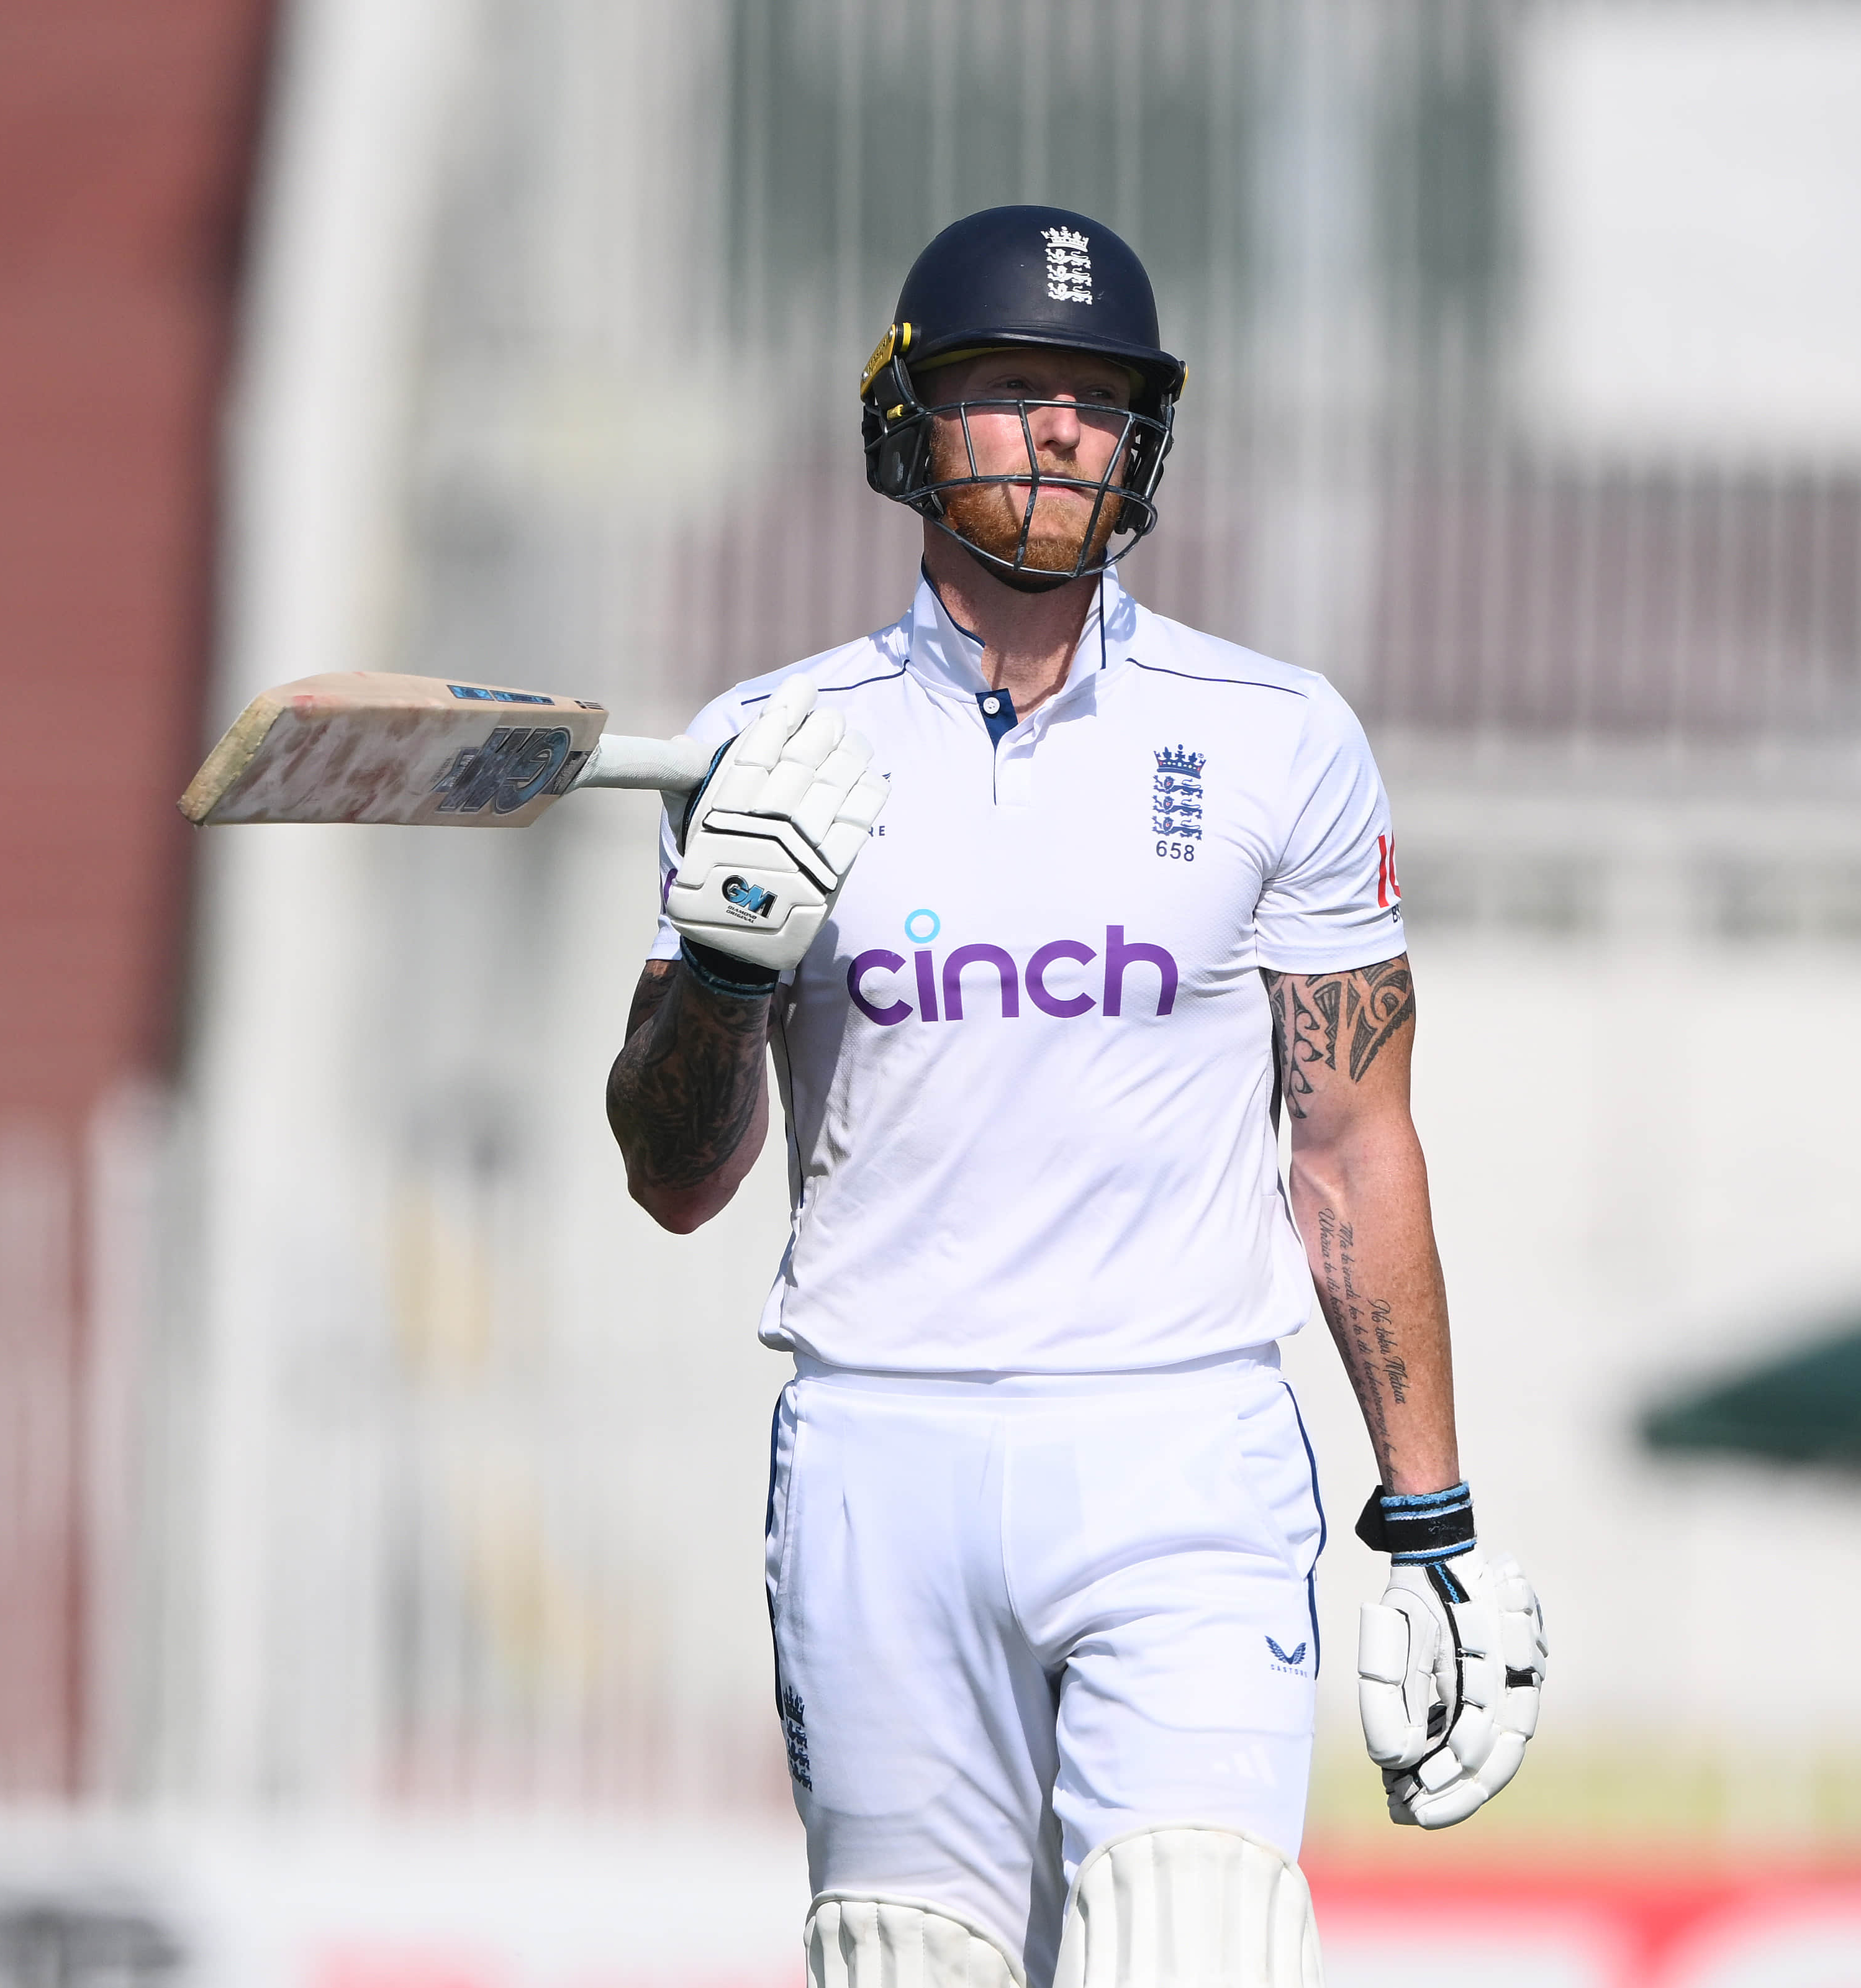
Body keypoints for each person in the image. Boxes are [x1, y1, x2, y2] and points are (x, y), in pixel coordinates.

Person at [603, 206, 1544, 1987]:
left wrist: (1436, 1525)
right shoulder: (764, 743)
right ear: (908, 421)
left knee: (1199, 1944)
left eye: (1099, 399)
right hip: (880, 1448)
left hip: (1180, 1443)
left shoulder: (1276, 734)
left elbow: (1351, 1145)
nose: (1059, 429)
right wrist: (722, 972)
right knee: (909, 1960)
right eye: (1011, 386)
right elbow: (675, 1178)